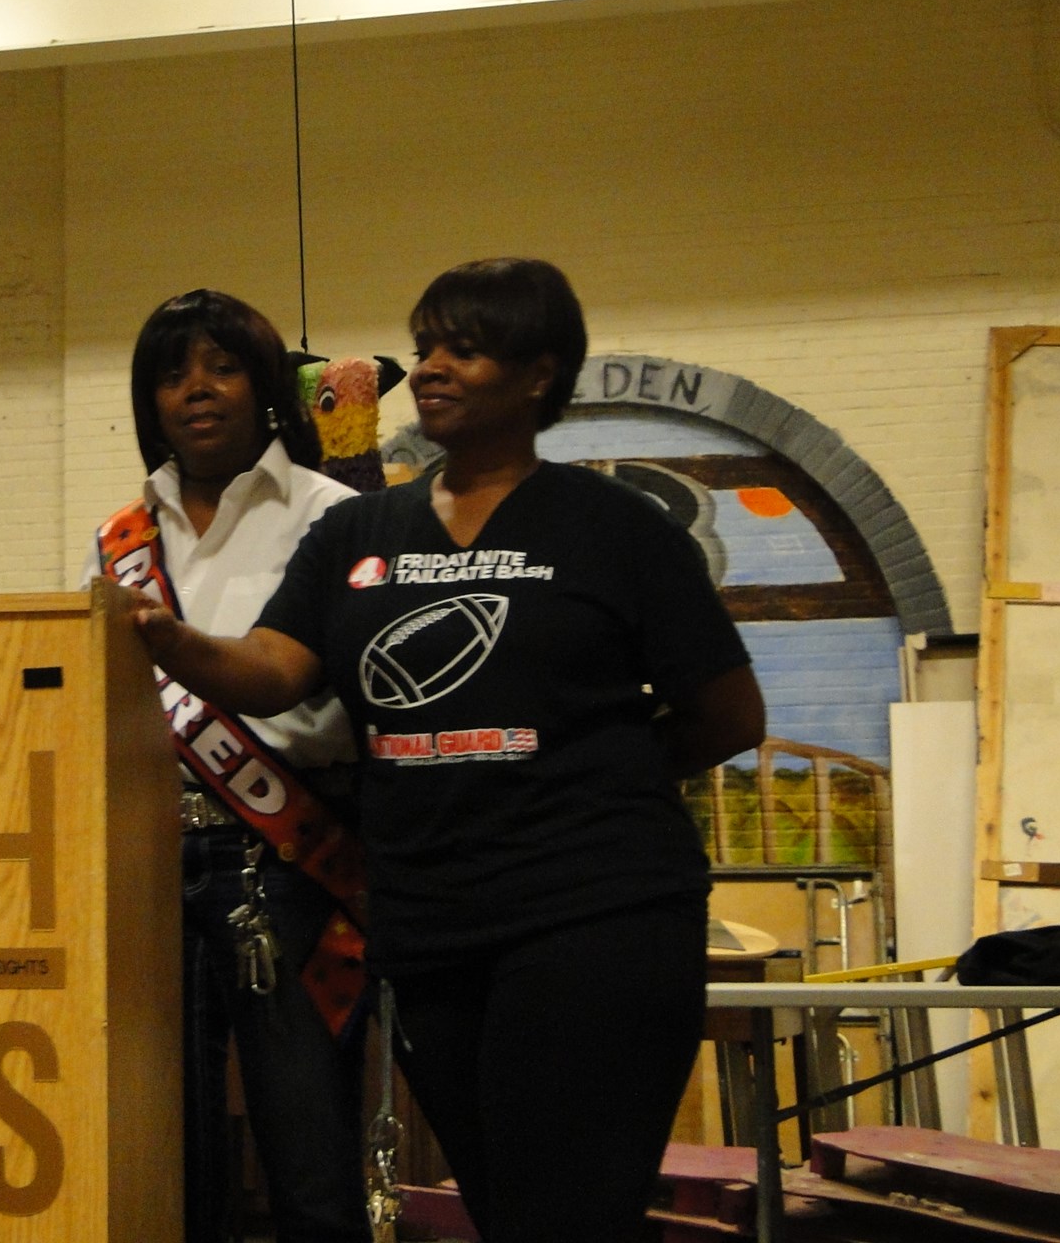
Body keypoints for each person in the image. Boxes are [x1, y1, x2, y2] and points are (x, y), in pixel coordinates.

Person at [131, 260, 766, 1243]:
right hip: (432, 926)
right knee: (509, 1208)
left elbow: (728, 715)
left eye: (461, 349)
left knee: (570, 1214)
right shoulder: (360, 531)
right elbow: (274, 669)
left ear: (538, 377)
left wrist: (579, 783)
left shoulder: (615, 530)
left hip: (595, 914)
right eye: (425, 345)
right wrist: (174, 644)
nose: (428, 368)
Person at [87, 290, 372, 1243]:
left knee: (304, 1140)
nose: (195, 390)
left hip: (287, 860)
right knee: (159, 1139)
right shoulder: (118, 539)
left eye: (220, 366)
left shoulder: (336, 513)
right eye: (171, 374)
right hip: (145, 862)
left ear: (265, 388)